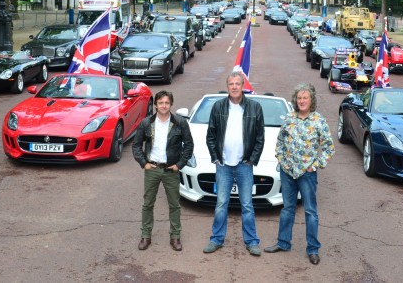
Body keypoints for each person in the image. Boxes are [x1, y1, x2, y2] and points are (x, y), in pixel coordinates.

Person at [264, 83, 335, 265]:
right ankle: (283, 243)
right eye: (299, 98)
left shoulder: (318, 120)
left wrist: (316, 165)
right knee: (287, 209)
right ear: (295, 100)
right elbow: (279, 142)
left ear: (311, 100)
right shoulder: (289, 118)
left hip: (307, 174)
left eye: (305, 98)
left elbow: (328, 147)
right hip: (288, 172)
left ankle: (313, 249)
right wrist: (281, 159)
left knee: (310, 211)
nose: (302, 101)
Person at [203, 71, 265, 257]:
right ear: (228, 86)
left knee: (247, 204)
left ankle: (252, 241)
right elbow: (211, 136)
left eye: (238, 83)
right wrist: (215, 157)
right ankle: (216, 239)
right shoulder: (218, 107)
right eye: (231, 84)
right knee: (221, 203)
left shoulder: (255, 108)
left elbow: (260, 138)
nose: (235, 87)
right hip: (223, 165)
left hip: (244, 165)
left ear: (243, 86)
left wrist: (252, 159)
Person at [132, 90, 194, 252]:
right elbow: (136, 145)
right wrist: (143, 163)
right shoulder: (146, 123)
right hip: (152, 169)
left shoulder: (180, 123)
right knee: (148, 204)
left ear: (171, 104)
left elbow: (189, 146)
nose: (164, 106)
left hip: (171, 170)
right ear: (156, 105)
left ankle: (175, 237)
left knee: (174, 205)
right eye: (160, 103)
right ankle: (146, 236)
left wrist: (179, 164)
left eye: (167, 103)